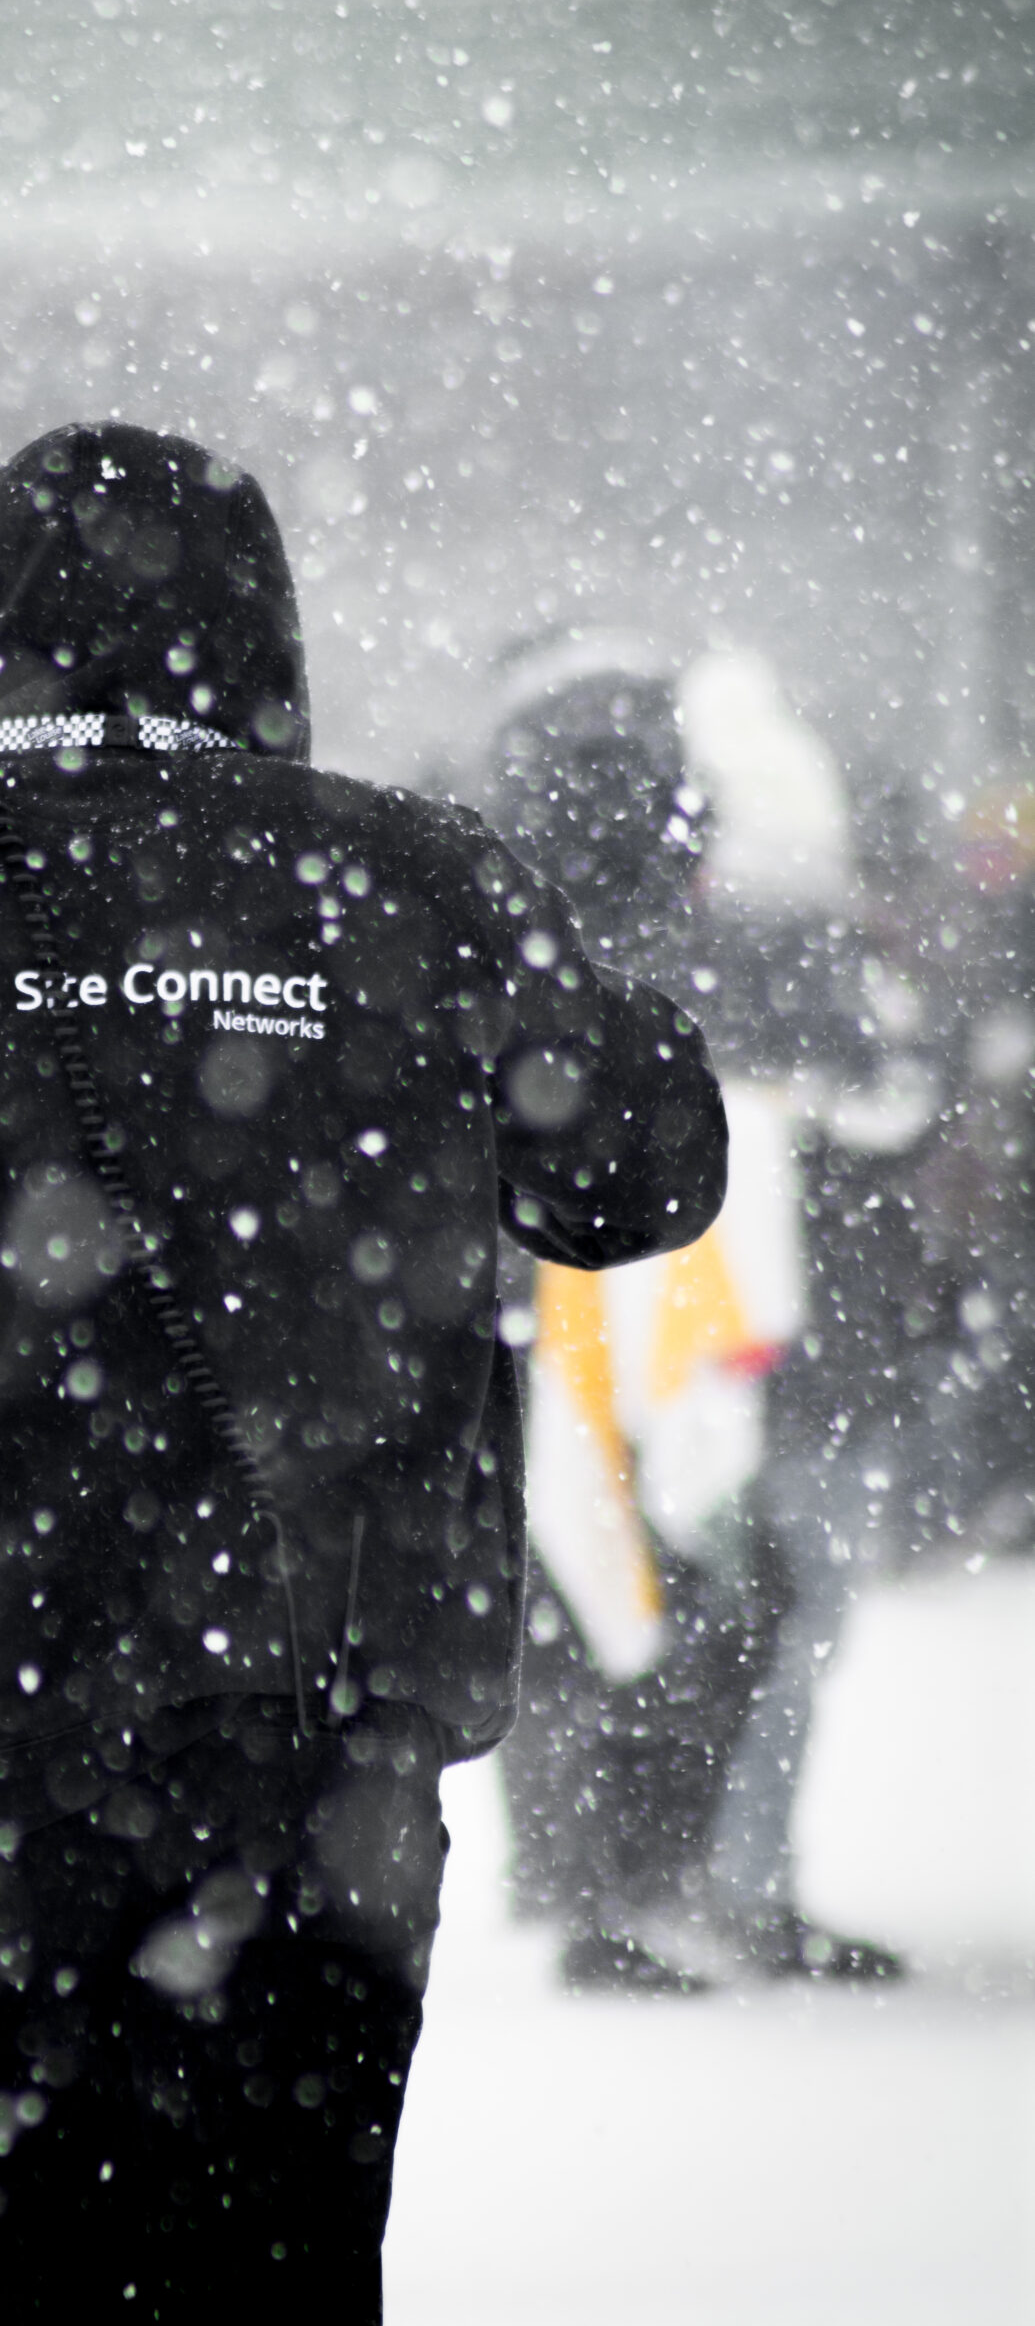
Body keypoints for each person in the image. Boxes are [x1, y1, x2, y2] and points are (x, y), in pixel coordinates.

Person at [0, 422, 726, 2323]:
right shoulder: (412, 885)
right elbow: (633, 1182)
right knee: (286, 2268)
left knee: (50, 2277)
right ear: (258, 636)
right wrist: (615, 940)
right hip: (332, 1726)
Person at [486, 633, 917, 1988]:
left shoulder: (510, 935)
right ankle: (665, 1887)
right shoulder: (727, 945)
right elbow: (872, 1085)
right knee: (707, 1589)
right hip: (688, 1311)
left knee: (586, 1596)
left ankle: (593, 1890)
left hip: (548, 1300)